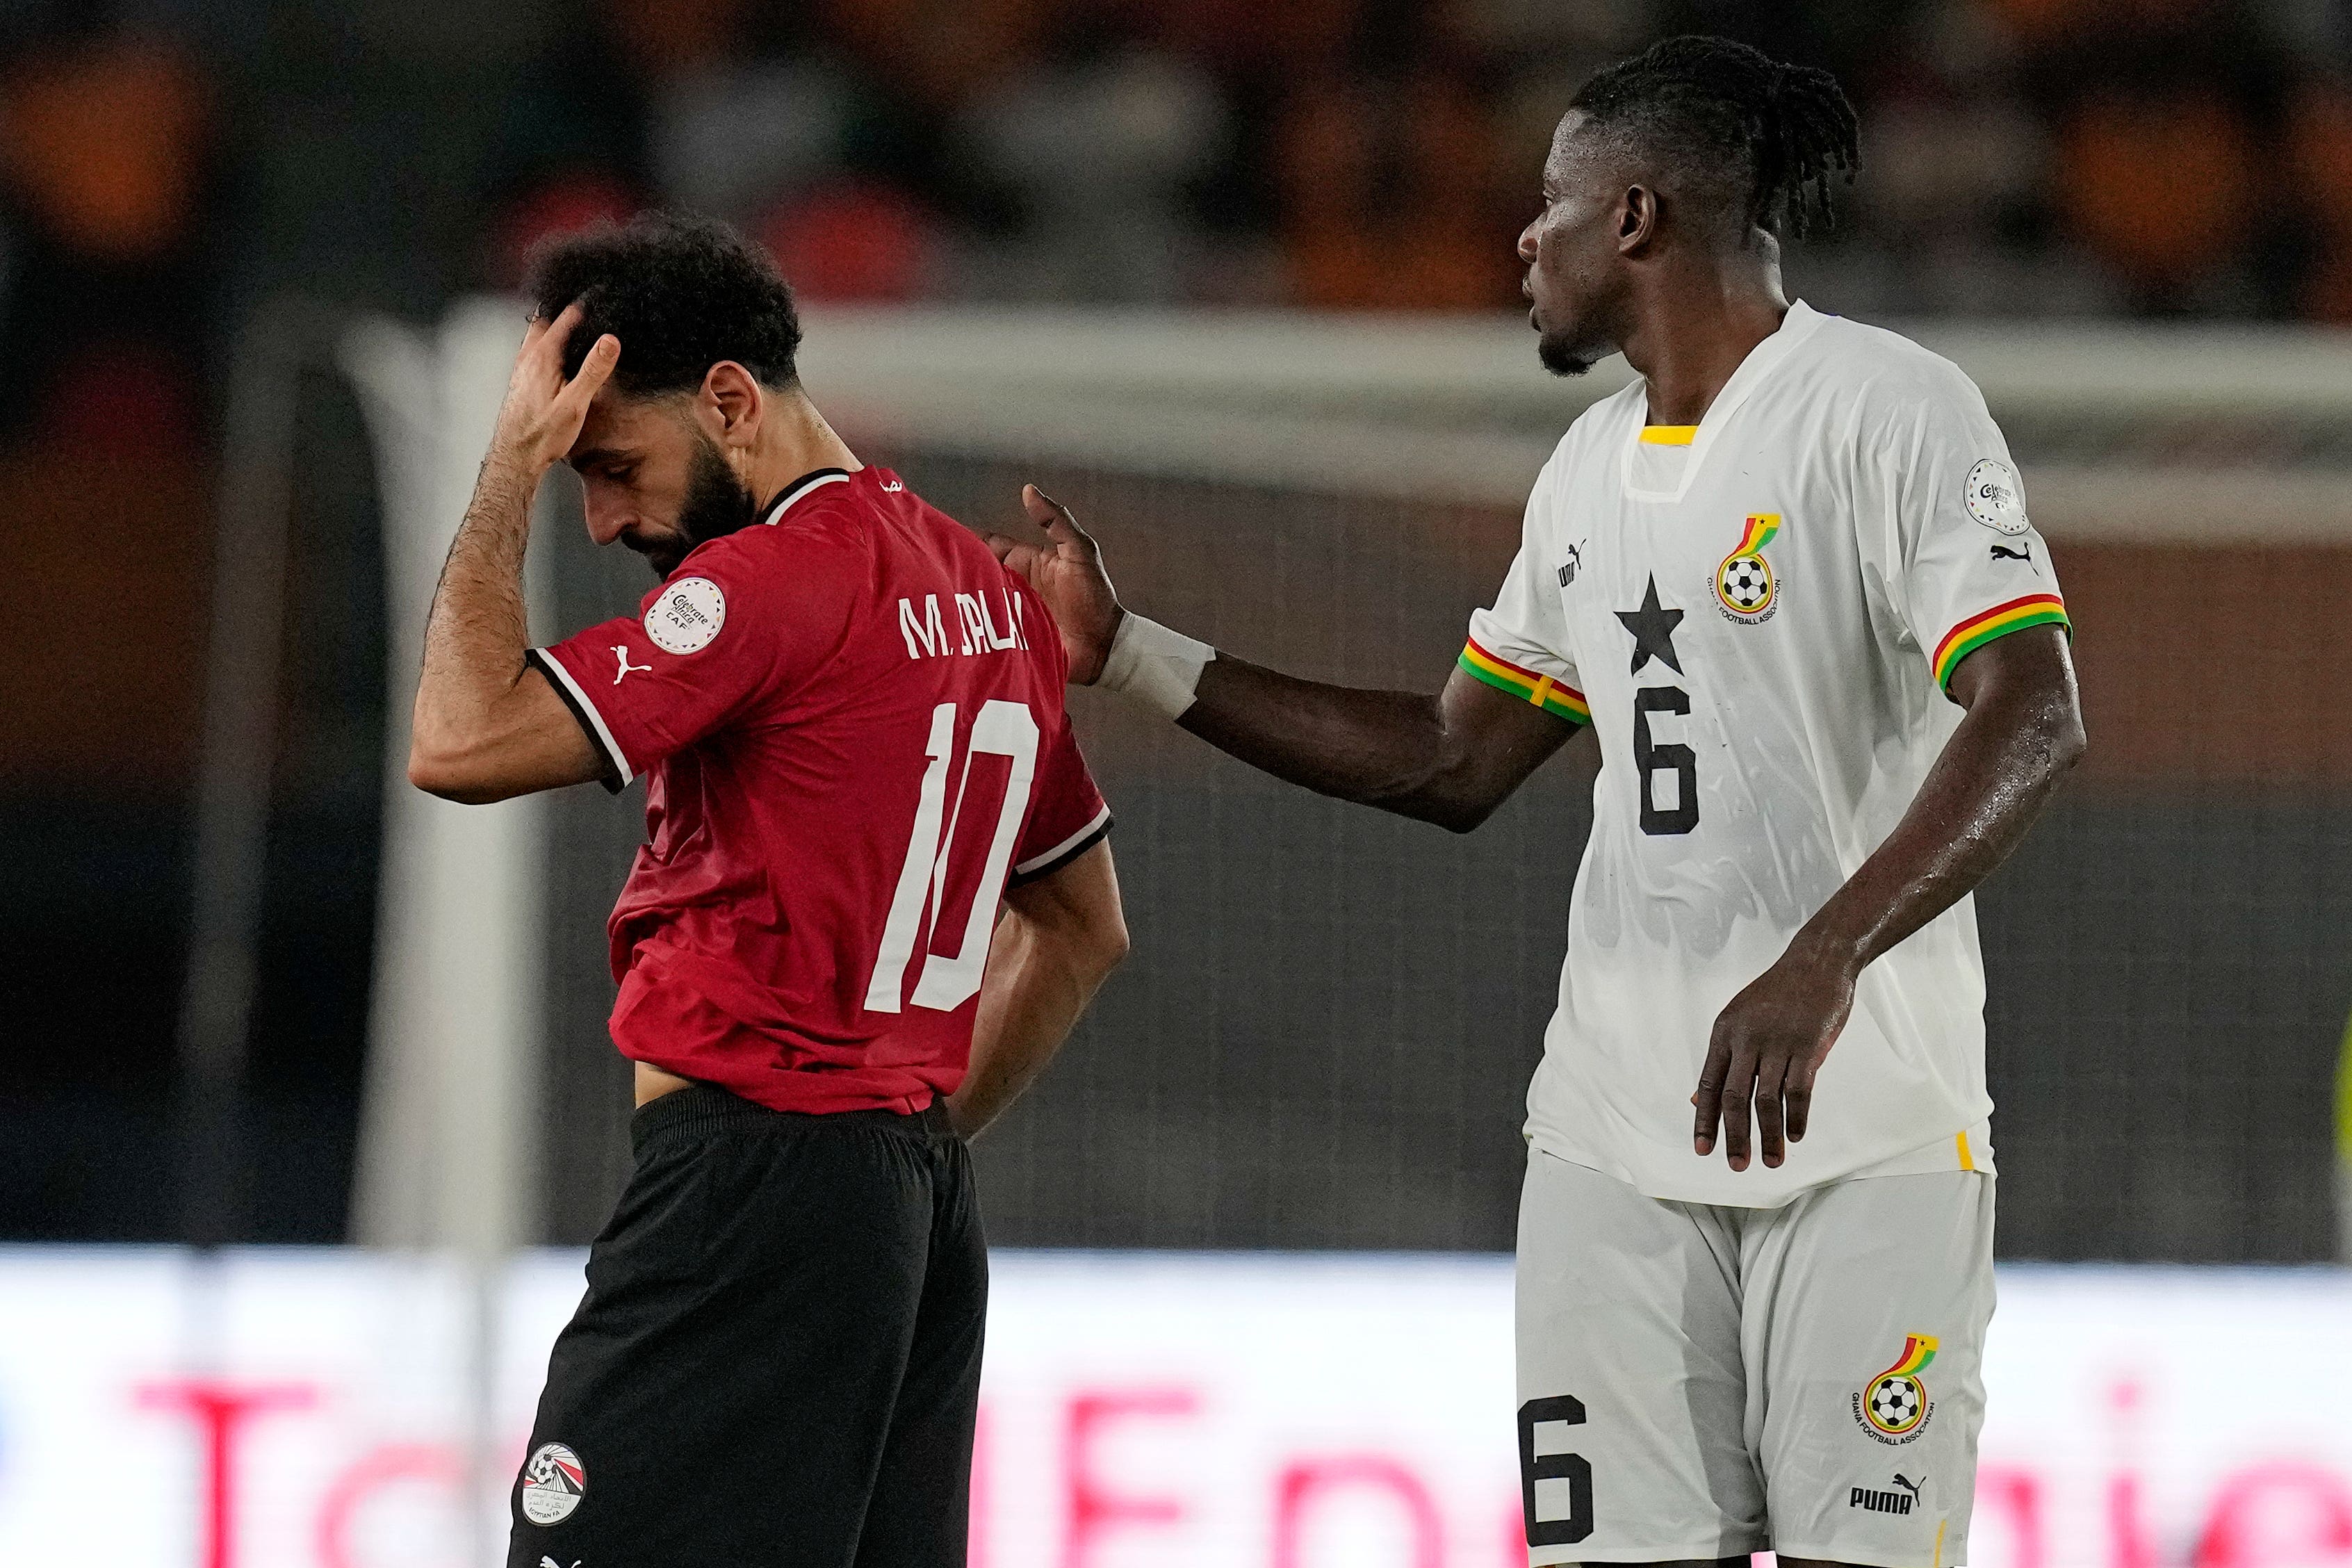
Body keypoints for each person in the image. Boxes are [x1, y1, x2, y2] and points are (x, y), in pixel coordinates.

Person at [994, 35, 2083, 1568]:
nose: (1525, 236)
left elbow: (2036, 714)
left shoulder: (1887, 409)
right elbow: (1452, 761)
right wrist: (1130, 656)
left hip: (1870, 1139)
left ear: (1633, 218)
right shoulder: (1582, 474)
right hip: (1609, 1143)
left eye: (1551, 201)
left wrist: (1826, 954)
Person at [408, 214, 1127, 1567]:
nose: (605, 516)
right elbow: (1086, 931)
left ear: (731, 400)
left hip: (750, 1195)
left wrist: (505, 468)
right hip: (908, 1215)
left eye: (611, 464)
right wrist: (894, 1152)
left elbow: (459, 739)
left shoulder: (774, 583)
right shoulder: (989, 594)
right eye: (570, 477)